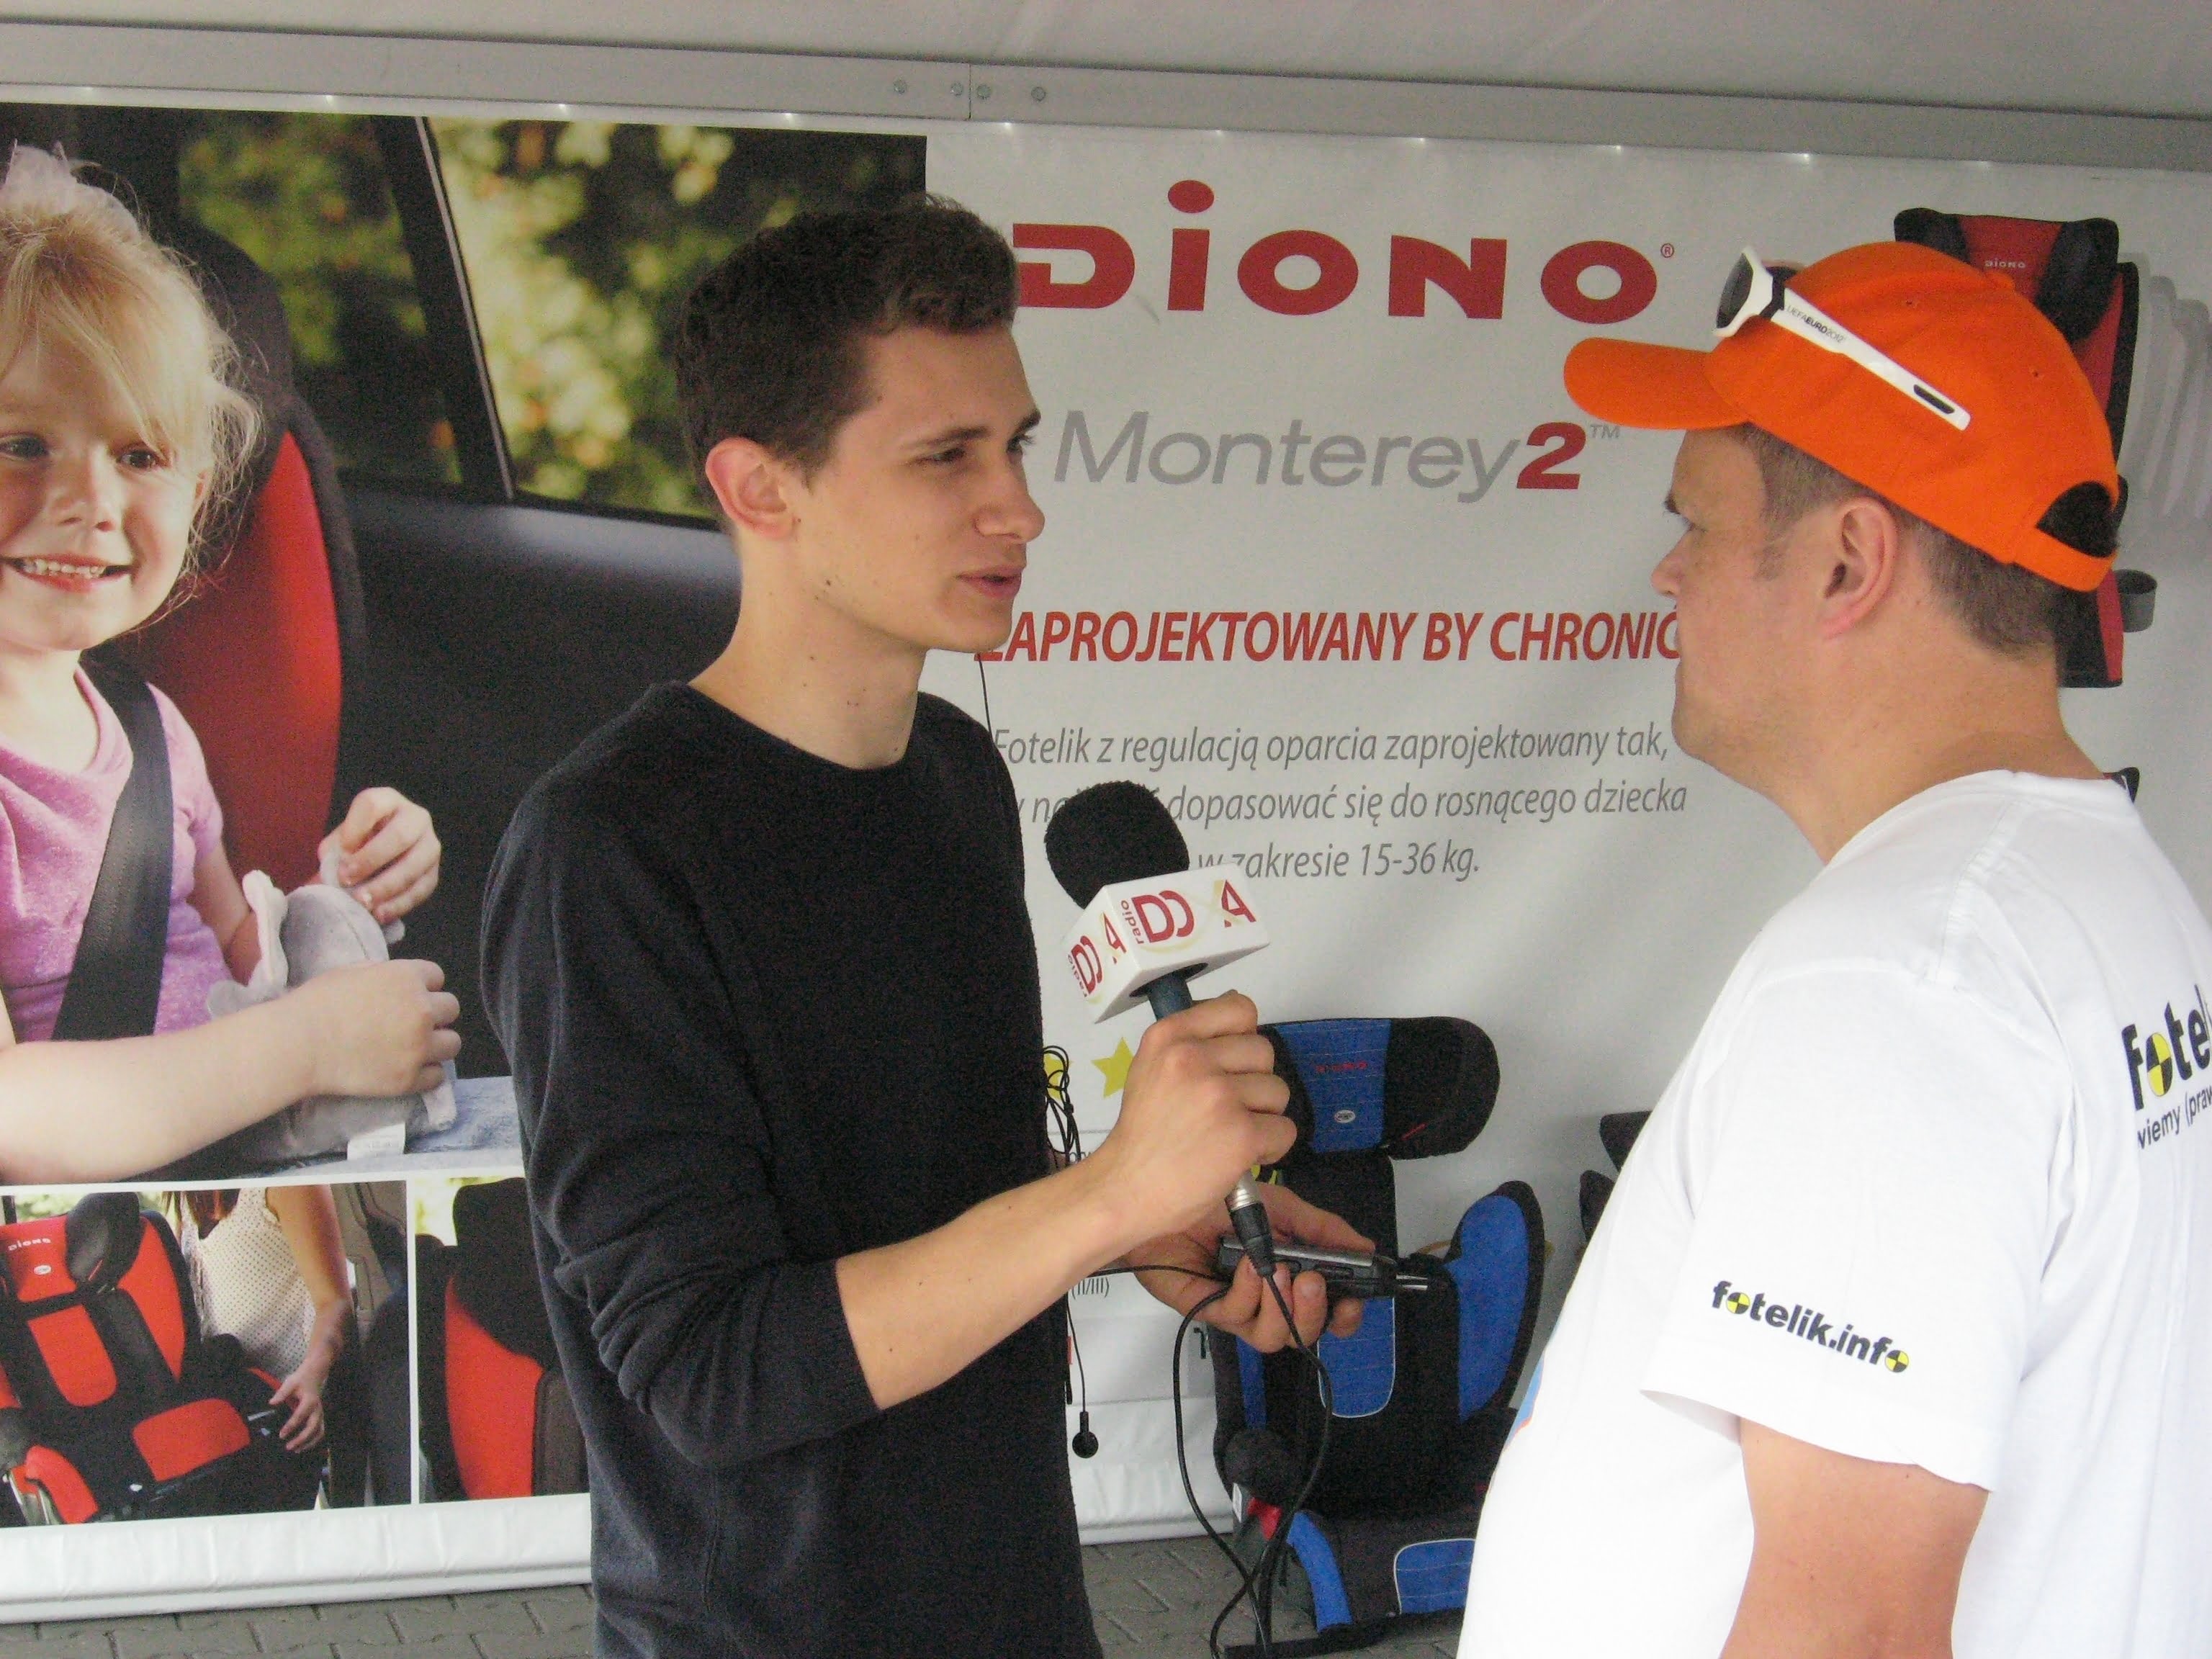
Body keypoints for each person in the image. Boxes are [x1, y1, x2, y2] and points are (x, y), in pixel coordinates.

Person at [481, 197, 1365, 1658]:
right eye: (947, 457)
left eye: (1015, 446)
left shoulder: (955, 773)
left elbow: (915, 1203)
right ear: (760, 488)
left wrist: (1143, 1225)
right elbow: (707, 1371)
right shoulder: (611, 850)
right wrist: (1104, 1196)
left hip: (1016, 1599)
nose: (1017, 507)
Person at [1460, 240, 2211, 1659]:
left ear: (1849, 560)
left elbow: (1849, 1629)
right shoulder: (2105, 889)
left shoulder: (1902, 980)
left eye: (1695, 523)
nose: (1666, 574)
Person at [0, 145, 459, 1183]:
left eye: (140, 456)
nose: (92, 503)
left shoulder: (152, 733)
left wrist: (346, 891)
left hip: (197, 1246)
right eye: (22, 444)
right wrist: (308, 1045)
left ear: (200, 493)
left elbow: (239, 976)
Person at [176, 1184, 369, 1499]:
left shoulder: (285, 1187)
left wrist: (312, 1375)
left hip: (288, 1414)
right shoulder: (188, 1196)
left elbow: (334, 1302)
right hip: (230, 1415)